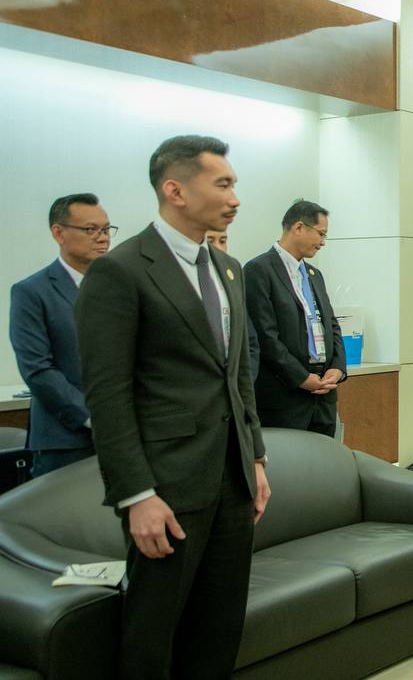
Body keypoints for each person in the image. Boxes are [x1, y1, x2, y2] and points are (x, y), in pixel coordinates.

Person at [75, 135, 270, 679]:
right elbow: (108, 396)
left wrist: (255, 458)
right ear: (175, 190)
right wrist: (136, 495)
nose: (235, 198)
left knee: (218, 630)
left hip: (232, 481)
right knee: (154, 633)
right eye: (223, 184)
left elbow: (238, 375)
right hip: (167, 484)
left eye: (235, 184)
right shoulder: (121, 270)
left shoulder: (228, 269)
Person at [8, 193, 114, 476]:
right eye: (91, 229)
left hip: (126, 435)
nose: (103, 238)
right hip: (66, 440)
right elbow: (38, 370)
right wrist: (93, 417)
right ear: (58, 232)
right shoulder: (32, 292)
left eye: (106, 229)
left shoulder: (120, 286)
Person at [243, 200, 346, 437]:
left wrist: (338, 369)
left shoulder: (314, 275)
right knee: (290, 460)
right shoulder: (259, 270)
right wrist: (301, 378)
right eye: (321, 234)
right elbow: (265, 337)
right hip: (285, 398)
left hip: (322, 398)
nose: (323, 242)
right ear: (299, 227)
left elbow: (332, 326)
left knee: (325, 458)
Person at [207, 230, 260, 381]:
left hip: (235, 385)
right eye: (210, 242)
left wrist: (245, 381)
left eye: (222, 241)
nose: (218, 248)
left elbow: (250, 342)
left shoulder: (233, 279)